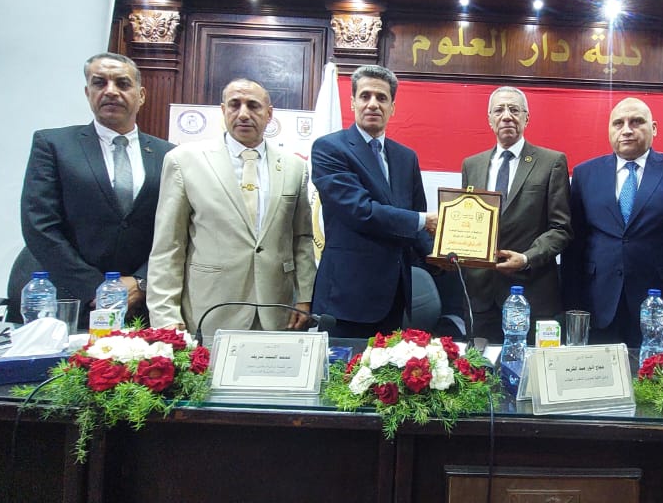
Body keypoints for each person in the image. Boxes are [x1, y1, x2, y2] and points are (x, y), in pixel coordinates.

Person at [147, 79, 316, 340]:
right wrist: (165, 316)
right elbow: (168, 245)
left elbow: (302, 239)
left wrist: (304, 297)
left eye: (253, 106)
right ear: (223, 110)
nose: (243, 114)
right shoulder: (184, 161)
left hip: (277, 311)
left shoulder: (294, 167)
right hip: (210, 310)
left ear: (269, 113)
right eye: (235, 105)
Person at [21, 53, 173, 324]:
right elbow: (39, 225)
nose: (111, 91)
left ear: (141, 95)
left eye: (122, 83)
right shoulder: (54, 145)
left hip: (143, 306)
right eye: (100, 83)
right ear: (87, 92)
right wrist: (98, 288)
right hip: (72, 301)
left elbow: (175, 231)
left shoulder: (169, 155)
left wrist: (142, 281)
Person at [562, 97, 663, 346]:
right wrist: (572, 306)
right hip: (598, 306)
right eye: (618, 123)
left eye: (636, 122)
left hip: (661, 308)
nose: (627, 130)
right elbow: (573, 248)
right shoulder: (585, 174)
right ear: (609, 130)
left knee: (657, 372)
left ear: (653, 128)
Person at [311, 65, 436, 338]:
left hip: (395, 296)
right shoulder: (329, 148)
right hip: (347, 296)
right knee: (342, 366)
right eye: (365, 96)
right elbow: (360, 210)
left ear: (392, 107)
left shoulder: (406, 157)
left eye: (381, 98)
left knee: (389, 366)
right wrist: (423, 221)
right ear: (352, 102)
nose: (373, 104)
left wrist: (441, 255)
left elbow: (416, 217)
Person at [460, 86, 571, 341]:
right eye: (499, 110)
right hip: (480, 296)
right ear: (490, 119)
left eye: (514, 110)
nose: (507, 116)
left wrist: (526, 258)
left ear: (526, 118)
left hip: (532, 292)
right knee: (479, 364)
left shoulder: (551, 162)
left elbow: (561, 228)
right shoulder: (471, 165)